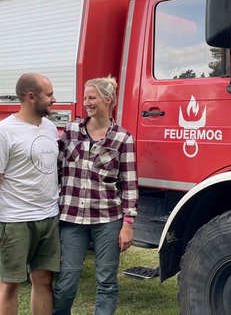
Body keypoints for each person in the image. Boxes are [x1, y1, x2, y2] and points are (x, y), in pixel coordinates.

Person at [53, 76, 138, 315]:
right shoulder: (70, 131)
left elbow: (129, 184)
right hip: (71, 219)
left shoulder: (123, 138)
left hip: (108, 220)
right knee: (67, 279)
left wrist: (128, 224)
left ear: (108, 100)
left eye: (92, 97)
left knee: (107, 281)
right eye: (85, 97)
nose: (86, 102)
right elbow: (55, 169)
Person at [0, 73, 61, 315]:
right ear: (31, 97)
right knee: (10, 284)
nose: (53, 99)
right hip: (14, 220)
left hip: (48, 217)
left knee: (44, 281)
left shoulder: (50, 127)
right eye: (49, 94)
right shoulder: (3, 132)